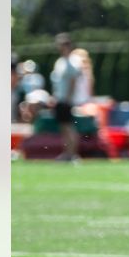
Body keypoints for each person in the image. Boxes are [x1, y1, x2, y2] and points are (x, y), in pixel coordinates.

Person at [48, 33, 85, 163]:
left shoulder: (73, 61)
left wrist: (68, 98)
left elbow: (73, 80)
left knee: (69, 127)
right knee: (63, 128)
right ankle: (67, 153)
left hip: (67, 100)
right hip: (60, 98)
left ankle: (73, 154)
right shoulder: (60, 61)